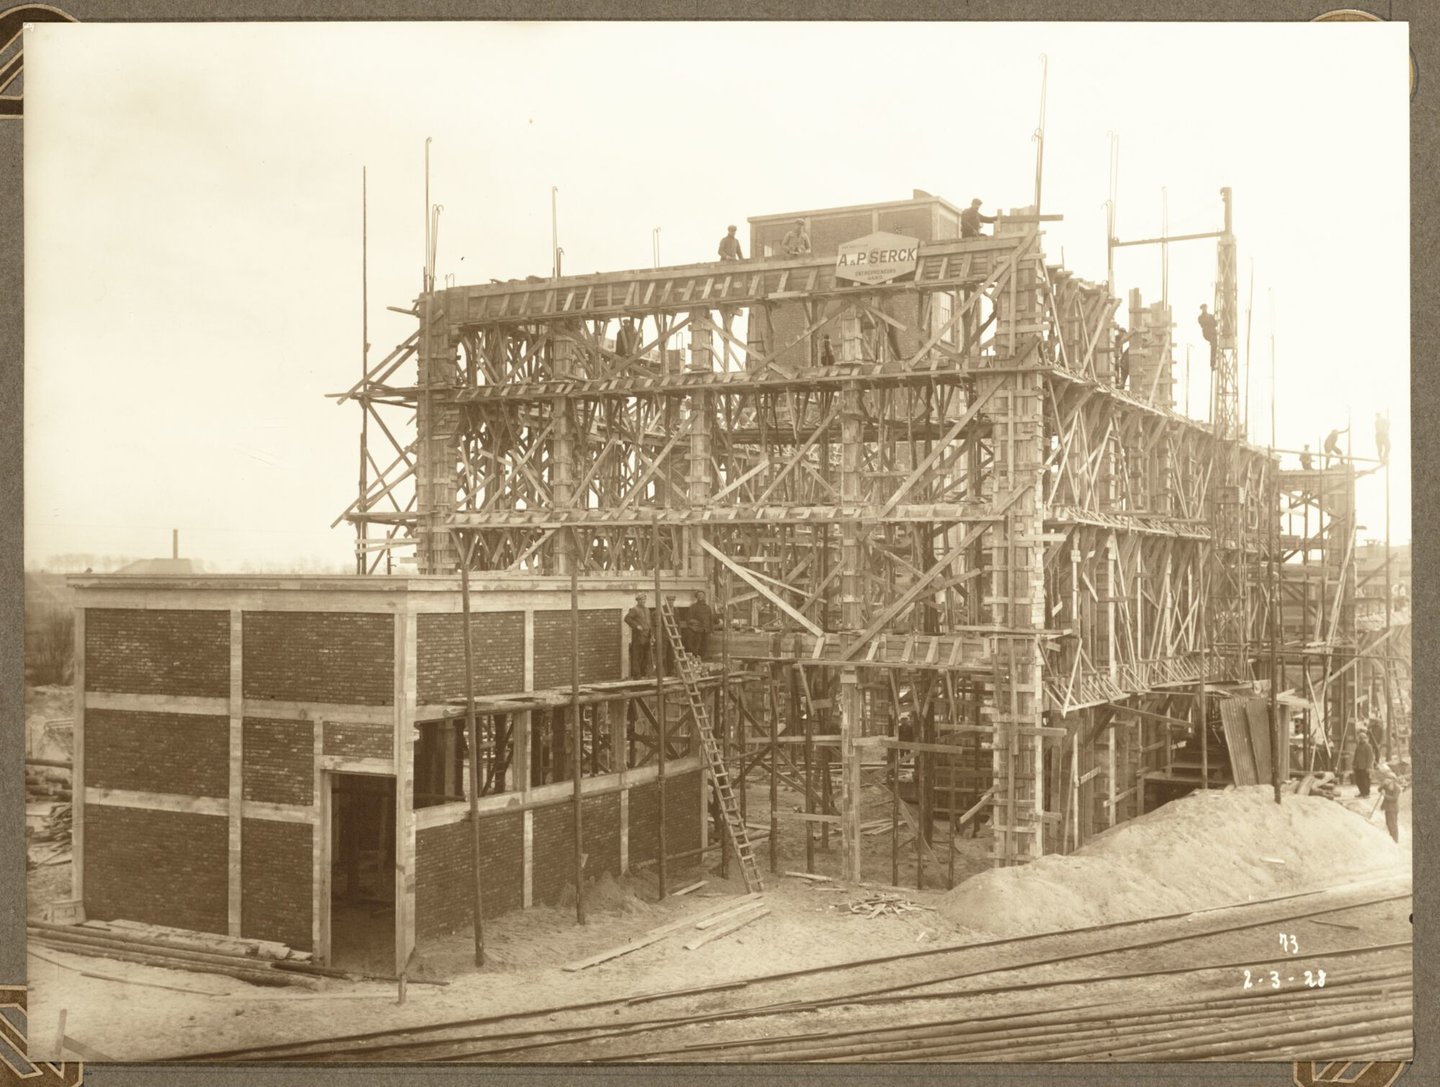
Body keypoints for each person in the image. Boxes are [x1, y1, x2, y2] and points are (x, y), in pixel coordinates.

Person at [624, 593, 652, 678]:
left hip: (646, 636)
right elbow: (627, 618)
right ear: (638, 601)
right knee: (637, 655)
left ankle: (645, 673)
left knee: (646, 656)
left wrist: (652, 635)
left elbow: (649, 623)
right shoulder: (634, 609)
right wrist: (636, 626)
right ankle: (637, 675)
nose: (643, 601)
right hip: (638, 636)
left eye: (644, 599)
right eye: (641, 600)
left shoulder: (647, 610)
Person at [685, 590, 716, 659]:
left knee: (705, 645)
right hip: (697, 631)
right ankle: (696, 659)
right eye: (699, 596)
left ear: (704, 597)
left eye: (702, 595)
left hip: (706, 630)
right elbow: (689, 619)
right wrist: (695, 626)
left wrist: (711, 630)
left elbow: (710, 619)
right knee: (696, 645)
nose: (700, 597)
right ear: (697, 597)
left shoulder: (708, 607)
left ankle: (702, 659)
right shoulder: (693, 607)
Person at [1378, 768, 1402, 843]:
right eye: (1386, 779)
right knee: (1388, 823)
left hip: (1393, 809)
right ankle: (1392, 838)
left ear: (1392, 779)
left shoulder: (1397, 788)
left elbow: (1394, 799)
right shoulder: (1386, 785)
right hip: (1387, 808)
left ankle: (1395, 840)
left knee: (1393, 825)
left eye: (1387, 779)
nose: (1386, 780)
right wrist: (1382, 787)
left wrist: (1384, 795)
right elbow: (1379, 789)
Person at [1352, 726, 1375, 798]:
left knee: (1365, 780)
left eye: (1362, 738)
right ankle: (1362, 792)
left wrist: (1368, 767)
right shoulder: (1358, 746)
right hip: (1358, 766)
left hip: (1364, 767)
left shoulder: (1368, 746)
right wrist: (1353, 764)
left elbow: (1370, 757)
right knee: (1358, 780)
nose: (1361, 739)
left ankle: (1366, 793)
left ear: (1365, 738)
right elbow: (1355, 756)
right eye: (1360, 738)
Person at [1197, 304, 1218, 369]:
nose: (1205, 309)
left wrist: (1213, 319)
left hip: (1213, 333)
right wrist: (1211, 320)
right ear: (1202, 309)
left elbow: (1215, 324)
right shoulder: (1200, 317)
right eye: (1203, 308)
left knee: (1214, 346)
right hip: (1207, 333)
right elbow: (1203, 324)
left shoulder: (1210, 316)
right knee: (1214, 344)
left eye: (1205, 308)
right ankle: (1212, 364)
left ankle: (1213, 362)